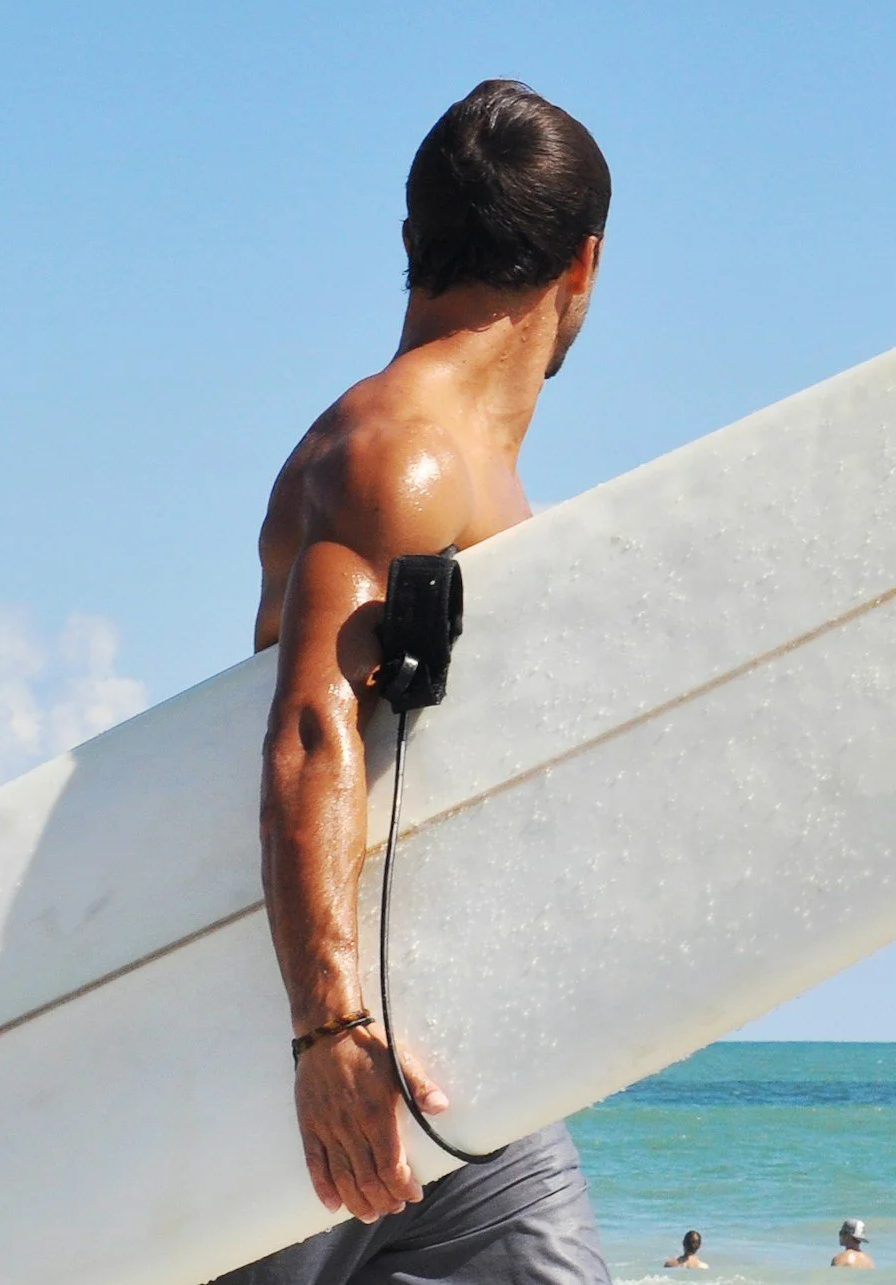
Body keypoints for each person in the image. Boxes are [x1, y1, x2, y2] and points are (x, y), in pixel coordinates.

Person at [215, 81, 613, 1285]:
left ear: (409, 241)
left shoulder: (462, 461)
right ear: (584, 266)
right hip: (314, 1030)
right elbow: (310, 732)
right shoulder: (405, 452)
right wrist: (327, 1027)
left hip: (443, 1032)